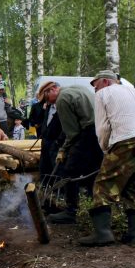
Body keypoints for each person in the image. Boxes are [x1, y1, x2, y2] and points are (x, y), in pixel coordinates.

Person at [79, 71, 135, 246]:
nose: (95, 90)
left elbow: (103, 127)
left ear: (105, 81)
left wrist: (106, 149)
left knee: (104, 184)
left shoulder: (103, 94)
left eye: (95, 85)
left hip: (125, 139)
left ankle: (103, 233)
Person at [43, 77, 104, 224]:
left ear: (52, 90)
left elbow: (72, 132)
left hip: (87, 133)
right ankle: (96, 209)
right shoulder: (78, 88)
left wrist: (63, 150)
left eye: (46, 98)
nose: (48, 102)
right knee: (93, 171)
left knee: (69, 171)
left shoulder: (62, 99)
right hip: (99, 131)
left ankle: (71, 211)